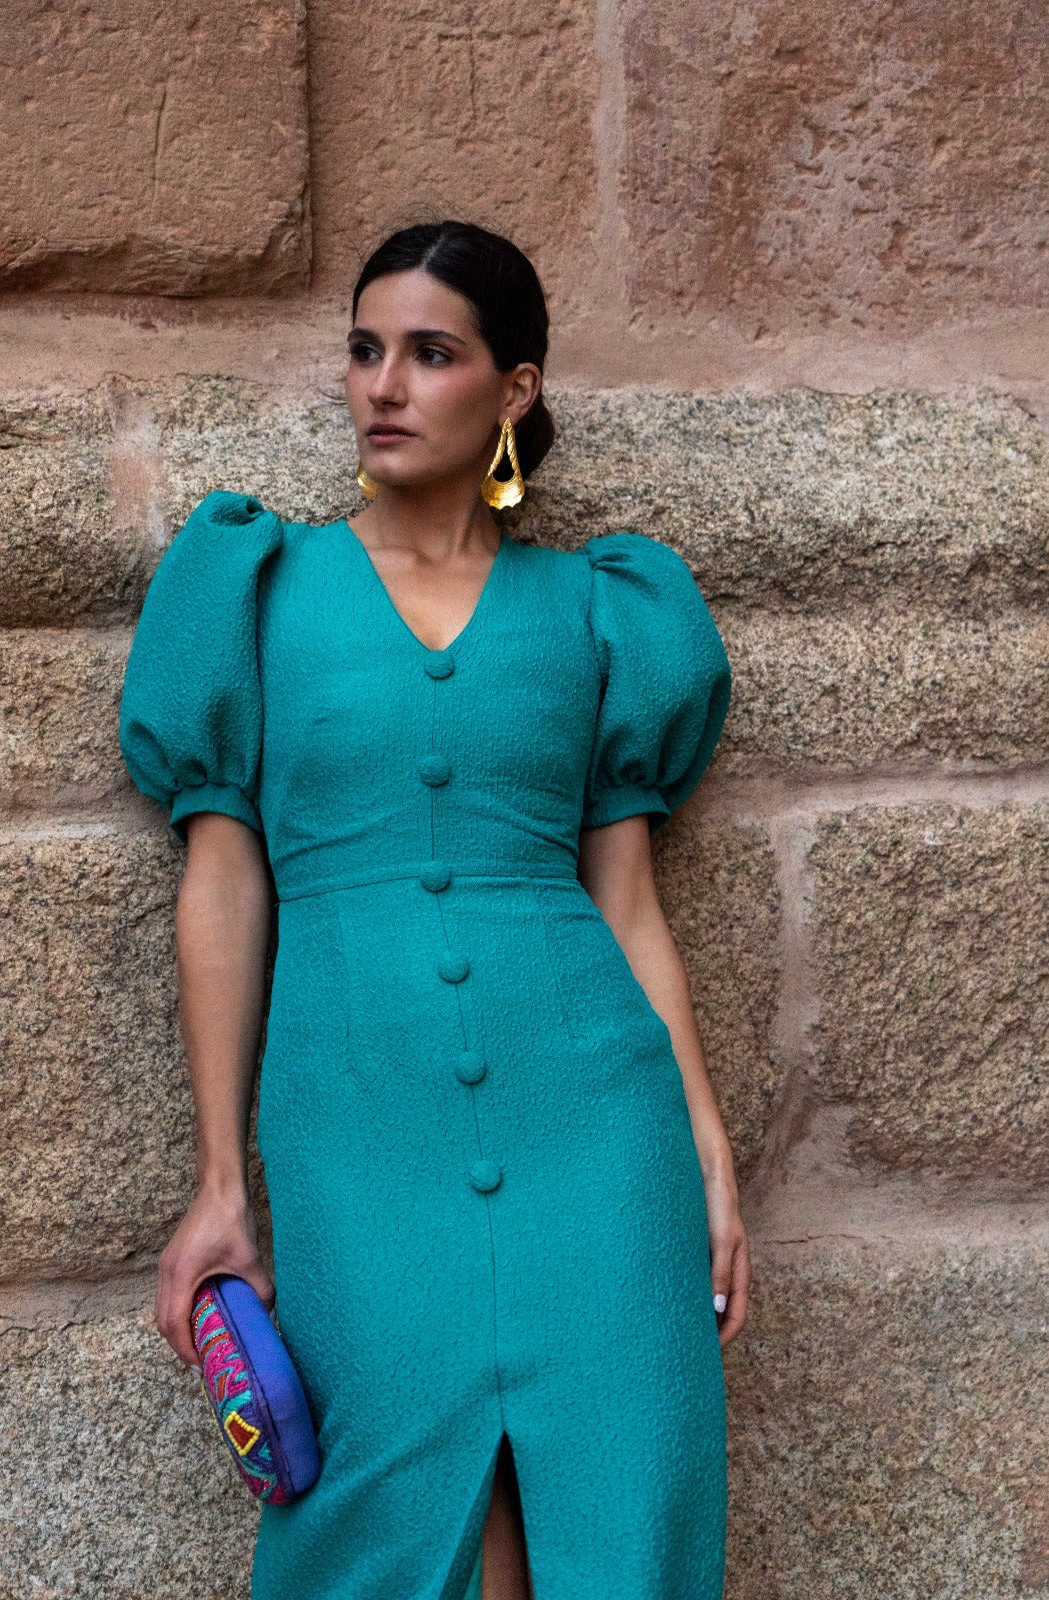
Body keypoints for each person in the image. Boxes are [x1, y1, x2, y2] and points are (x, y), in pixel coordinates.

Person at [118, 218, 753, 1600]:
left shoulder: (600, 607)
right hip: (359, 1123)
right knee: (385, 1506)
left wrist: (706, 1151)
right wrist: (223, 1181)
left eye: (429, 353)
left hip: (595, 1128)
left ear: (515, 387)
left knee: (610, 1501)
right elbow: (223, 881)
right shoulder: (256, 586)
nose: (384, 387)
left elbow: (627, 904)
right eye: (364, 351)